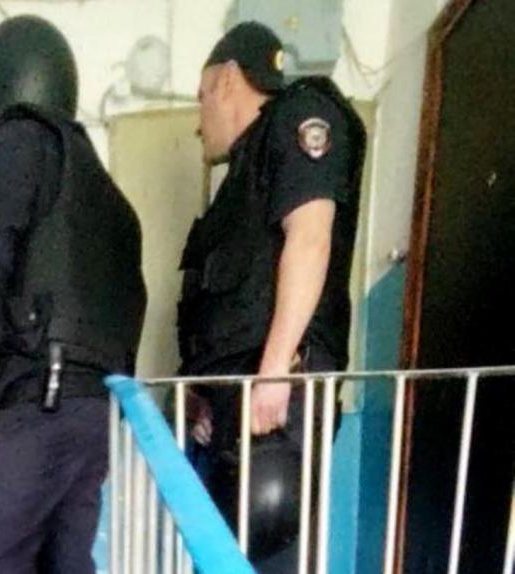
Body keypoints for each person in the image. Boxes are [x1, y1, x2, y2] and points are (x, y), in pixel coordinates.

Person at [0, 16, 147, 574]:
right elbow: (133, 302)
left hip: (33, 402)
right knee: (69, 564)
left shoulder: (17, 141)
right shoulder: (108, 193)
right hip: (94, 411)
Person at [177, 22, 366, 571]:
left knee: (270, 547)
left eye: (201, 97)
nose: (198, 122)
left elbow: (310, 237)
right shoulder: (243, 173)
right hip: (240, 399)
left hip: (277, 392)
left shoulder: (298, 117)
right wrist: (205, 393)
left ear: (227, 80)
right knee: (230, 555)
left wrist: (276, 370)